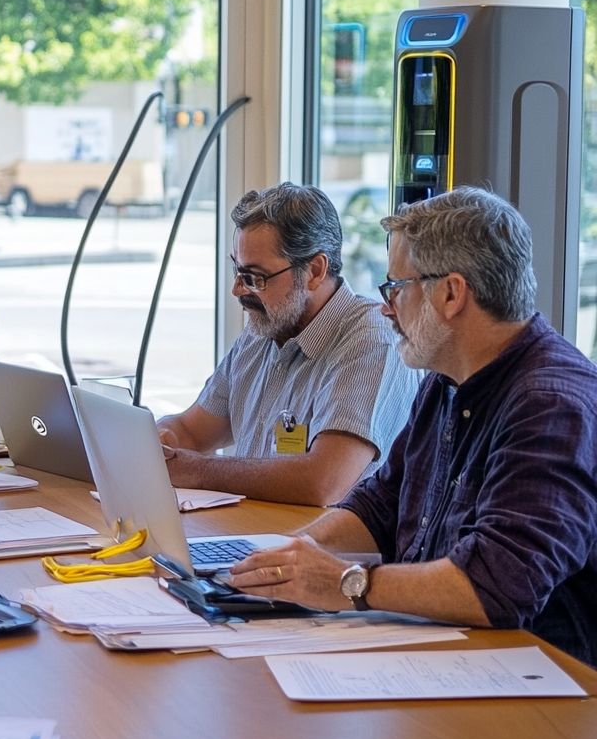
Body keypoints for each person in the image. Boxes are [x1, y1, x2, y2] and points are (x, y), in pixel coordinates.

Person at [228, 188, 597, 666]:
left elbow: (498, 586)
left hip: (537, 686)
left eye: (396, 288)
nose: (386, 308)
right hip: (444, 656)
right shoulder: (446, 381)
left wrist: (344, 582)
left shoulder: (550, 405)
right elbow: (382, 502)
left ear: (450, 293)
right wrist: (296, 553)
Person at [157, 183, 419, 506]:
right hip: (252, 536)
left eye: (255, 277)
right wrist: (158, 442)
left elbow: (322, 482)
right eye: (237, 271)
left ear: (315, 270)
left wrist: (195, 470)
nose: (238, 290)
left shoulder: (370, 340)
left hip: (321, 550)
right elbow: (192, 431)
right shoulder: (262, 329)